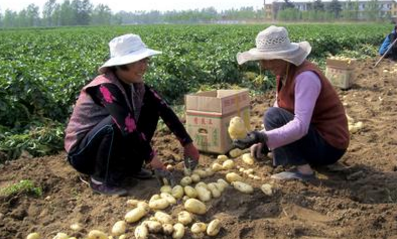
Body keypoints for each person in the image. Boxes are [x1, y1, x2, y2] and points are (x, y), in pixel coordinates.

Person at [64, 34, 199, 195]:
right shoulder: (105, 87)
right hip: (83, 154)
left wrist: (188, 144)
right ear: (122, 64)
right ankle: (100, 180)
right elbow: (126, 127)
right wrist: (154, 160)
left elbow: (164, 110)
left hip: (109, 146)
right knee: (117, 123)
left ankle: (132, 168)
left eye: (145, 61)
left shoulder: (136, 86)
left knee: (151, 109)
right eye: (139, 61)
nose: (144, 66)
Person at [233, 26, 349, 181]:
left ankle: (304, 171)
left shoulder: (306, 77)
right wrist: (263, 140)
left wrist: (263, 137)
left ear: (283, 56)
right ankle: (295, 158)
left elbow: (299, 126)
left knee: (272, 116)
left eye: (267, 59)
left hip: (330, 145)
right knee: (273, 115)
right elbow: (280, 107)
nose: (264, 65)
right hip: (314, 136)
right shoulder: (284, 73)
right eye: (262, 60)